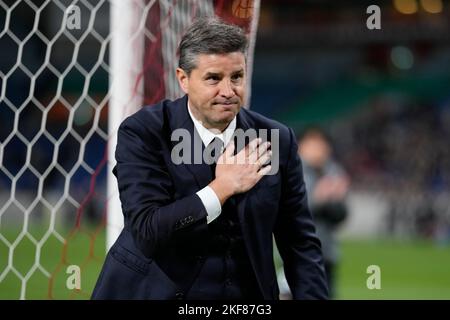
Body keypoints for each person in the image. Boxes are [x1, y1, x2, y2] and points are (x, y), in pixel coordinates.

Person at [92, 17, 328, 300]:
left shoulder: (276, 139)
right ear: (183, 79)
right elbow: (147, 230)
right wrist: (221, 189)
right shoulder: (145, 132)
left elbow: (299, 243)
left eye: (237, 77)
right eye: (214, 78)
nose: (228, 91)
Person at [298, 127, 350, 298]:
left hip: (327, 251)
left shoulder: (334, 172)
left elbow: (342, 215)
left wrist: (333, 203)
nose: (318, 149)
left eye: (321, 144)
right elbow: (292, 210)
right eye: (313, 143)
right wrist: (319, 199)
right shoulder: (294, 171)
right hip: (296, 251)